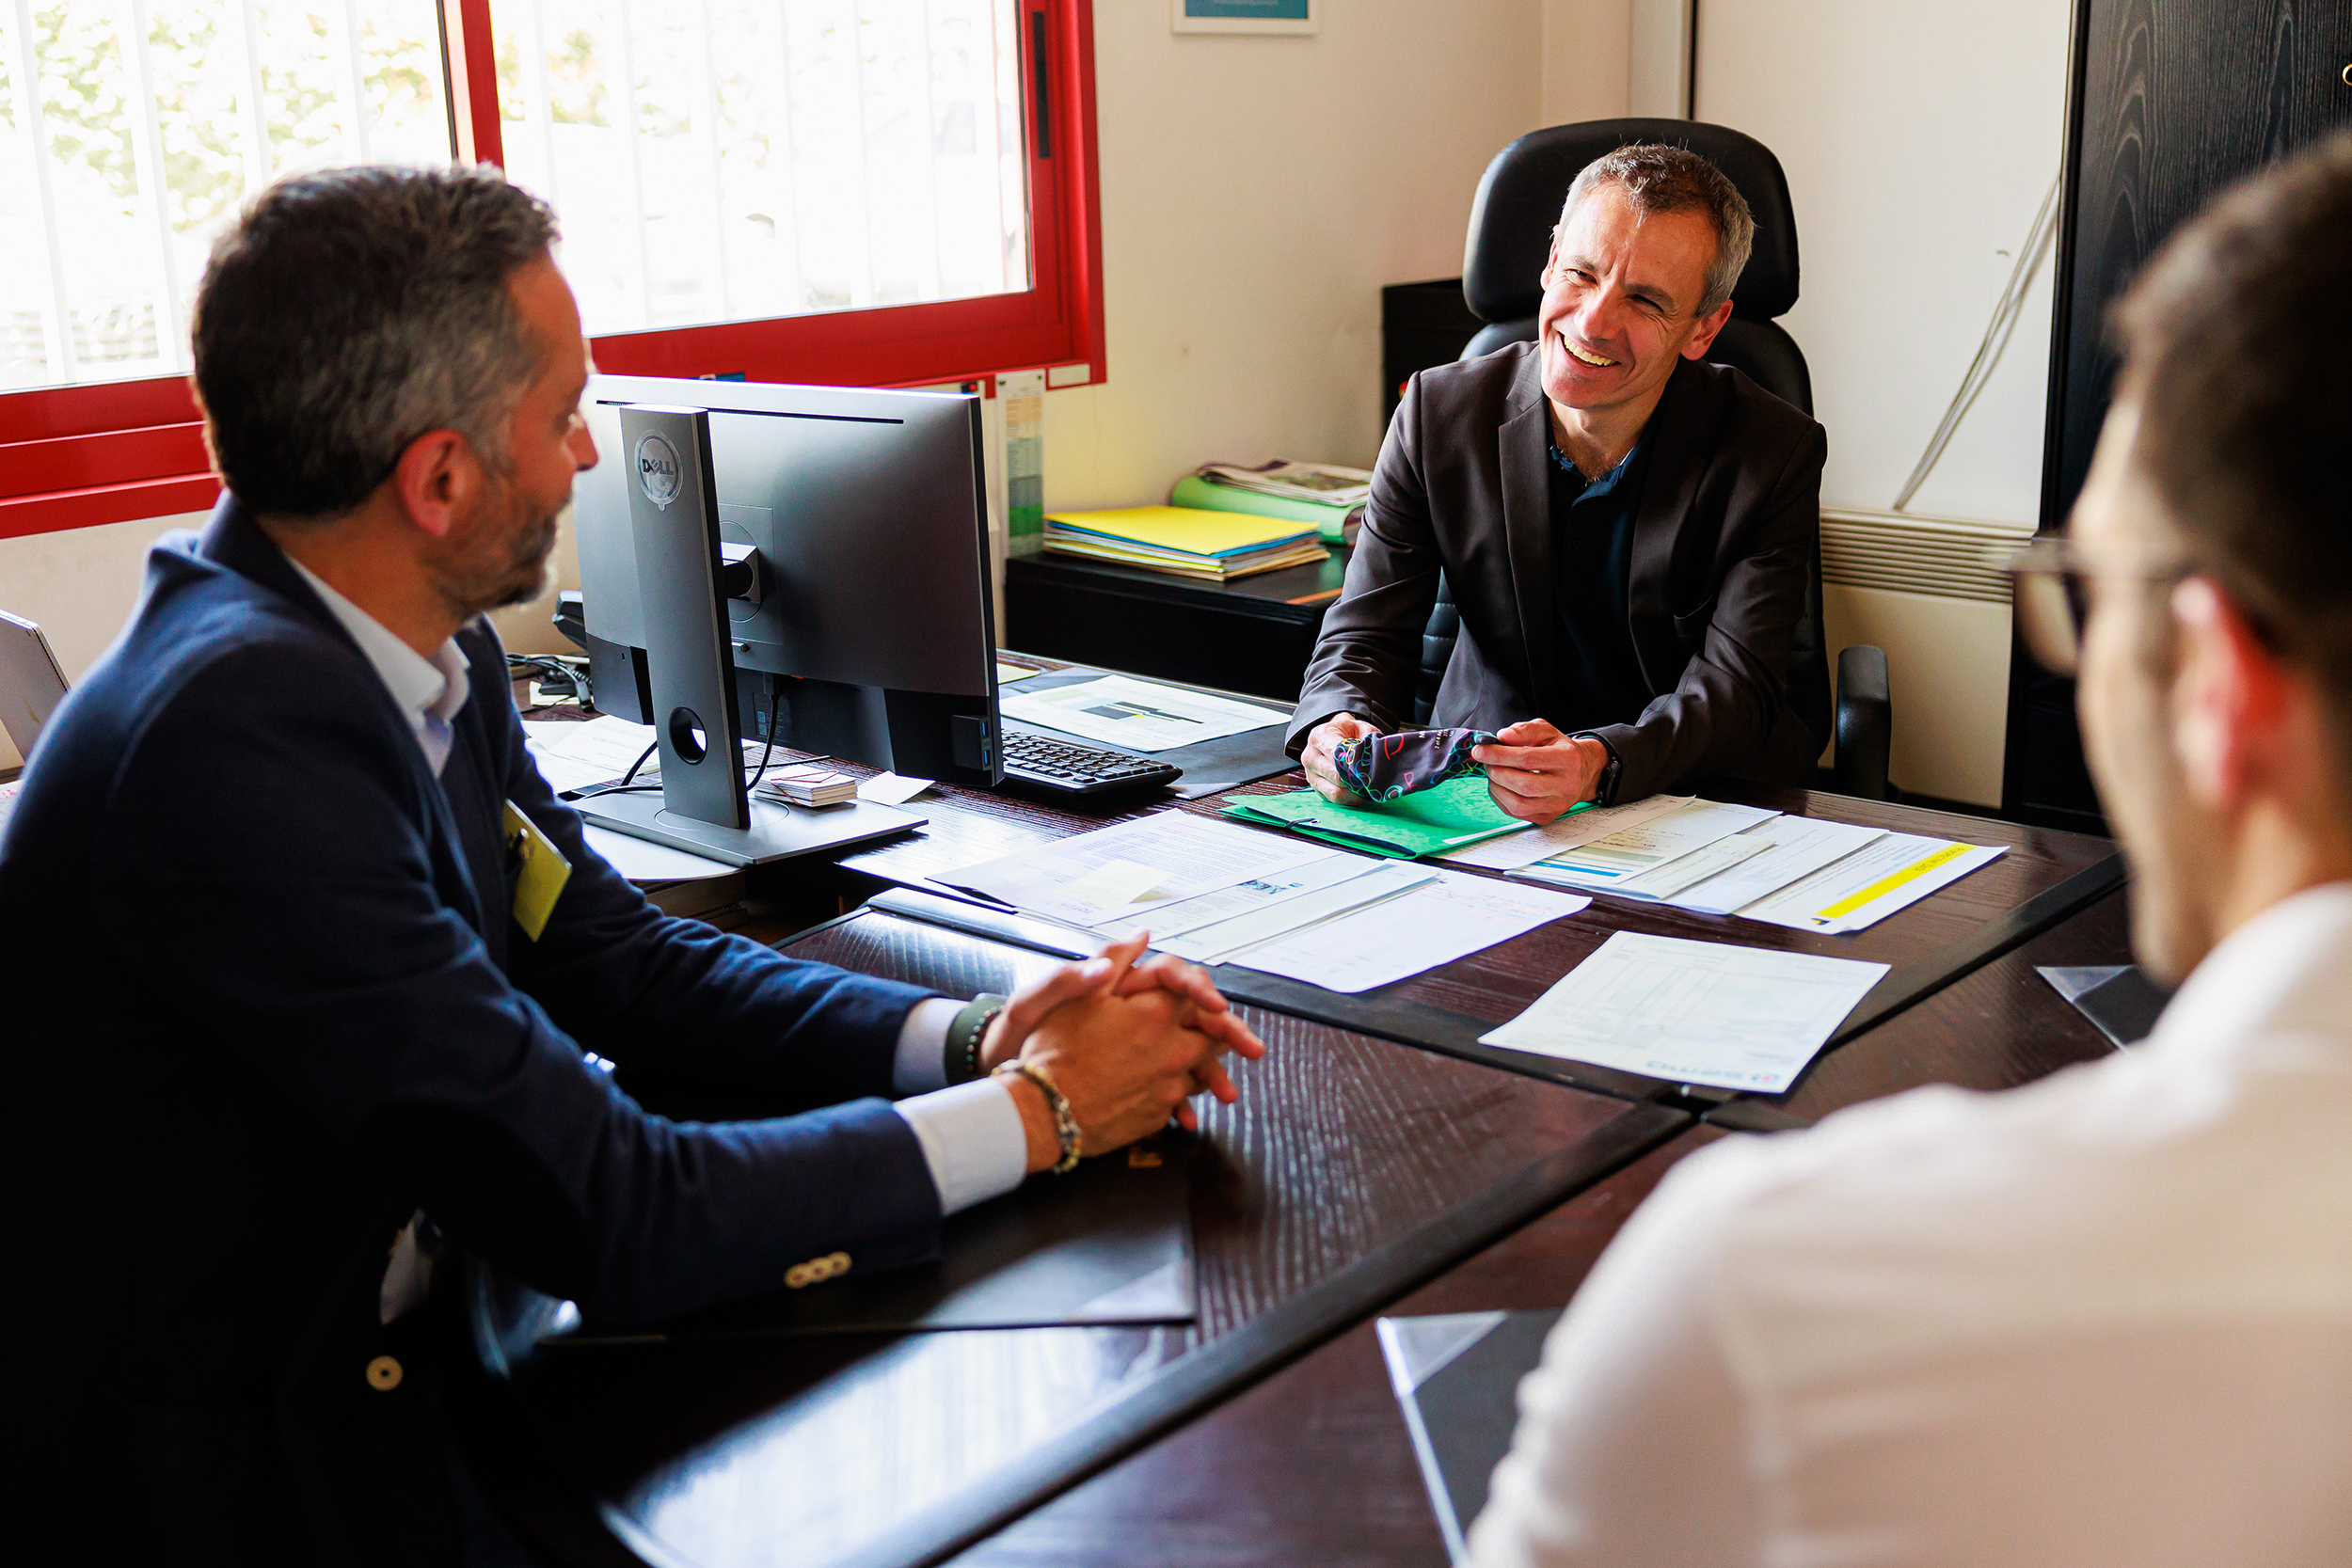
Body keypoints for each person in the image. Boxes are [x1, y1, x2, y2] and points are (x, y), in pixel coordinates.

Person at [0, 164, 1263, 1564]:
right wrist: (1044, 1115)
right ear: (439, 477)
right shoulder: (234, 742)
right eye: (560, 416)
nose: (589, 455)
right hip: (230, 1469)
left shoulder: (420, 645)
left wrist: (974, 1036)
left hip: (413, 1345)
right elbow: (615, 1207)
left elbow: (614, 961)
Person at [1467, 132, 2352, 1568]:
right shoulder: (1452, 412)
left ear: (2221, 685)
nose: (1594, 317)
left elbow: (1763, 686)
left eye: (2089, 594)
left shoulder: (1784, 1285)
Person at [1291, 143, 1826, 821]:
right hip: (1481, 797)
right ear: (1549, 263)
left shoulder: (1770, 450)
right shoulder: (1438, 413)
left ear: (1704, 327)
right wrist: (1335, 723)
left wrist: (1597, 763)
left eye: (1645, 299)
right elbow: (1363, 633)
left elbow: (1735, 690)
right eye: (1580, 273)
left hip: (1692, 802)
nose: (1594, 321)